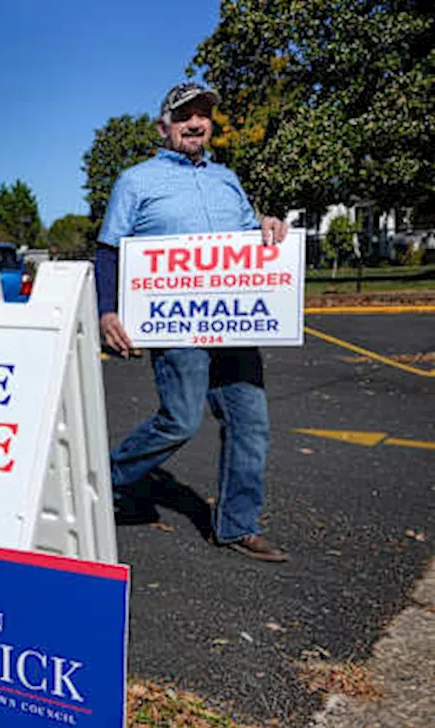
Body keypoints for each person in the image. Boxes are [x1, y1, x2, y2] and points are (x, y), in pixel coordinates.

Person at [95, 82, 290, 563]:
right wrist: (107, 310)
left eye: (203, 115)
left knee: (251, 423)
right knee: (180, 420)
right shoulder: (136, 181)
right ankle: (99, 485)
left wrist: (266, 224)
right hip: (174, 323)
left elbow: (248, 239)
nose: (196, 123)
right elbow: (108, 249)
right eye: (185, 116)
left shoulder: (228, 179)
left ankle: (237, 526)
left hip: (235, 321)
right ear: (165, 127)